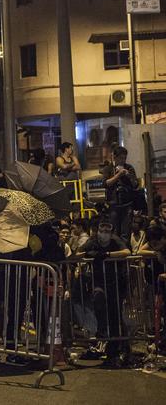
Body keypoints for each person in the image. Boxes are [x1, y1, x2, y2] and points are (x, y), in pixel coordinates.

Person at [76, 219, 132, 366]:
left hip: (116, 282)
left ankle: (120, 347)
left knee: (116, 315)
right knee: (98, 299)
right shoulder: (93, 241)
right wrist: (89, 253)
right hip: (99, 282)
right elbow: (78, 252)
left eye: (108, 231)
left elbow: (127, 252)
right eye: (102, 230)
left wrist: (107, 254)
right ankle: (102, 334)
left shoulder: (115, 240)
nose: (104, 234)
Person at [103, 146, 138, 239]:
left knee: (126, 231)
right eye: (120, 158)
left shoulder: (129, 168)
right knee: (114, 231)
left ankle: (125, 250)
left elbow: (135, 184)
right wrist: (118, 175)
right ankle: (116, 251)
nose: (123, 160)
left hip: (127, 204)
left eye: (124, 158)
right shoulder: (108, 168)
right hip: (113, 204)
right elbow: (106, 183)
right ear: (114, 157)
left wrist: (128, 175)